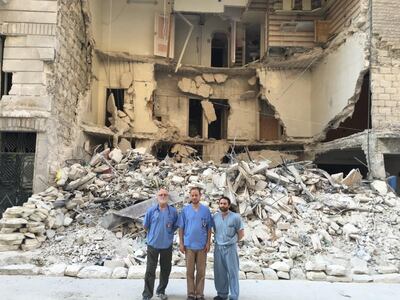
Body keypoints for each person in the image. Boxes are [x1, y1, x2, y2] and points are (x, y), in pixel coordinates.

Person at [142, 188, 178, 300]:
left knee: (166, 269)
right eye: (160, 194)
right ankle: (147, 294)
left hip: (166, 245)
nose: (163, 196)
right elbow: (145, 226)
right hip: (153, 245)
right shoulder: (151, 211)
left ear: (168, 197)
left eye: (165, 194)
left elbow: (175, 226)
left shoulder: (173, 211)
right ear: (157, 197)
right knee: (150, 271)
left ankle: (161, 291)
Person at [178, 187, 213, 300]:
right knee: (189, 271)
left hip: (202, 246)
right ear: (190, 196)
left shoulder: (205, 210)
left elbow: (209, 228)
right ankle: (191, 293)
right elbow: (181, 228)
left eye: (196, 195)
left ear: (200, 196)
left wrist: (208, 242)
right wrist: (181, 243)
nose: (194, 197)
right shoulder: (185, 210)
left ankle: (199, 293)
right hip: (189, 246)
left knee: (201, 271)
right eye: (192, 195)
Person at [213, 196, 244, 300]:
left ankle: (234, 296)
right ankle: (222, 294)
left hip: (230, 248)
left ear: (229, 205)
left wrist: (233, 242)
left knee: (232, 272)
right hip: (218, 248)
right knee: (220, 272)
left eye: (225, 203)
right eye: (221, 203)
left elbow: (241, 233)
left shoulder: (235, 217)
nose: (222, 205)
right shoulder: (215, 217)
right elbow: (214, 231)